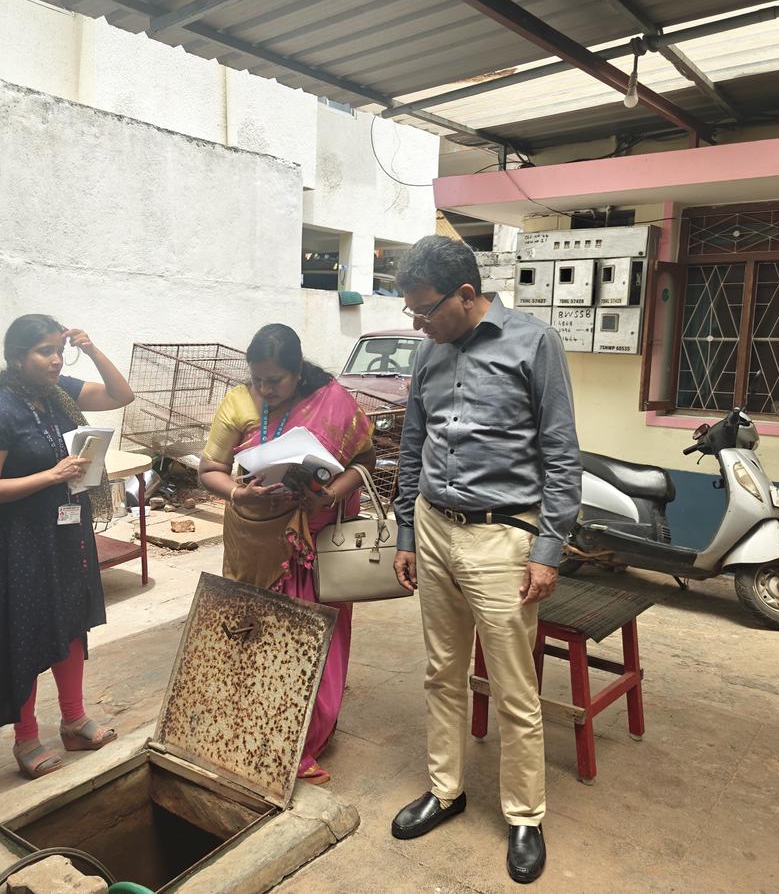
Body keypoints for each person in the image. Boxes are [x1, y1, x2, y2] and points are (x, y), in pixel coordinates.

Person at [388, 236, 581, 885]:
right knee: (442, 671)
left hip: (503, 540)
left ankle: (525, 815)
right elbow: (413, 438)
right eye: (412, 313)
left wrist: (548, 549)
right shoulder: (427, 350)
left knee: (513, 686)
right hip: (436, 529)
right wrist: (406, 532)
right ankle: (446, 791)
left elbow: (561, 453)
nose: (418, 324)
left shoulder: (534, 343)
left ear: (466, 296)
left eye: (425, 311)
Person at [198, 324, 375, 785]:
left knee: (314, 639)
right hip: (255, 541)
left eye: (275, 380)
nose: (264, 389)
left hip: (315, 542)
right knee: (258, 640)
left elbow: (365, 462)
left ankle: (303, 740)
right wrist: (239, 493)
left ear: (299, 373)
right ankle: (257, 730)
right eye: (257, 379)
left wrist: (330, 494)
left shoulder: (332, 400)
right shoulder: (238, 402)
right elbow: (209, 470)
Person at [0, 316, 135, 779]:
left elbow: (122, 396)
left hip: (67, 530)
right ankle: (25, 739)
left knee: (71, 623)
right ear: (17, 357)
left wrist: (94, 347)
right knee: (26, 633)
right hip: (21, 539)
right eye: (45, 351)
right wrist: (51, 476)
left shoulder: (59, 393)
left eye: (60, 349)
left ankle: (75, 719)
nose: (56, 359)